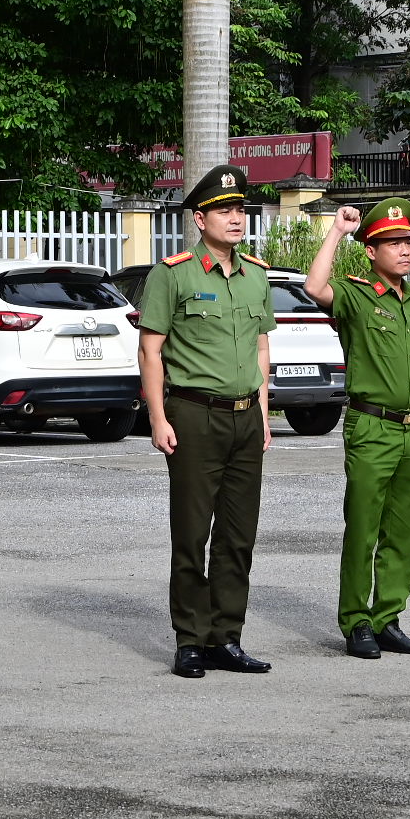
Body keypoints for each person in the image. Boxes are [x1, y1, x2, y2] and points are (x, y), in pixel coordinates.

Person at [137, 165, 277, 680]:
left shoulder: (256, 275)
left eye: (240, 209)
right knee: (192, 534)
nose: (236, 218)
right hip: (194, 416)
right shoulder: (173, 274)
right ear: (200, 219)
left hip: (246, 418)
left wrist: (264, 413)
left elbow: (261, 348)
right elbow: (150, 351)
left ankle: (226, 637)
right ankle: (190, 640)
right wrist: (157, 417)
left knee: (239, 536)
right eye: (224, 210)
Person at [304, 198, 410, 660]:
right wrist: (337, 232)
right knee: (363, 529)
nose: (404, 250)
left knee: (405, 531)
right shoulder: (358, 296)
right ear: (371, 251)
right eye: (393, 243)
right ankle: (357, 621)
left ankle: (387, 618)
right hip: (371, 427)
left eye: (407, 242)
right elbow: (314, 286)